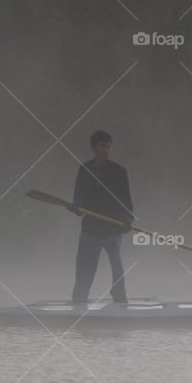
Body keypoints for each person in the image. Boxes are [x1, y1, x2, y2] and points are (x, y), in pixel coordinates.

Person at [68, 130, 134, 304]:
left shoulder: (119, 171)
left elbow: (126, 199)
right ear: (93, 148)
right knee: (84, 267)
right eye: (102, 147)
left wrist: (127, 219)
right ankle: (79, 299)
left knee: (116, 266)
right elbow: (78, 196)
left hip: (113, 228)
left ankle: (119, 298)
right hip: (90, 228)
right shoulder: (85, 169)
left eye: (108, 147)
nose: (106, 150)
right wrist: (76, 206)